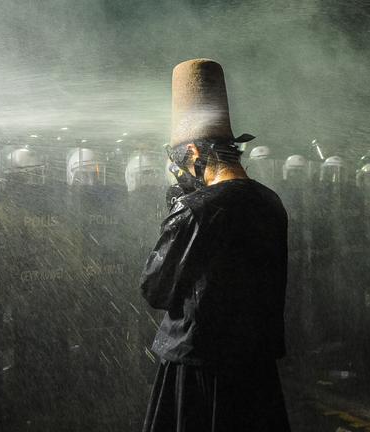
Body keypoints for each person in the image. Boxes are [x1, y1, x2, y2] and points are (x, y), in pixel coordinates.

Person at [139, 59, 291, 432]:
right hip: (255, 370)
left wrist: (176, 208)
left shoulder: (196, 209)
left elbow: (154, 289)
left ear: (193, 154)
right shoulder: (270, 201)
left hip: (198, 371)